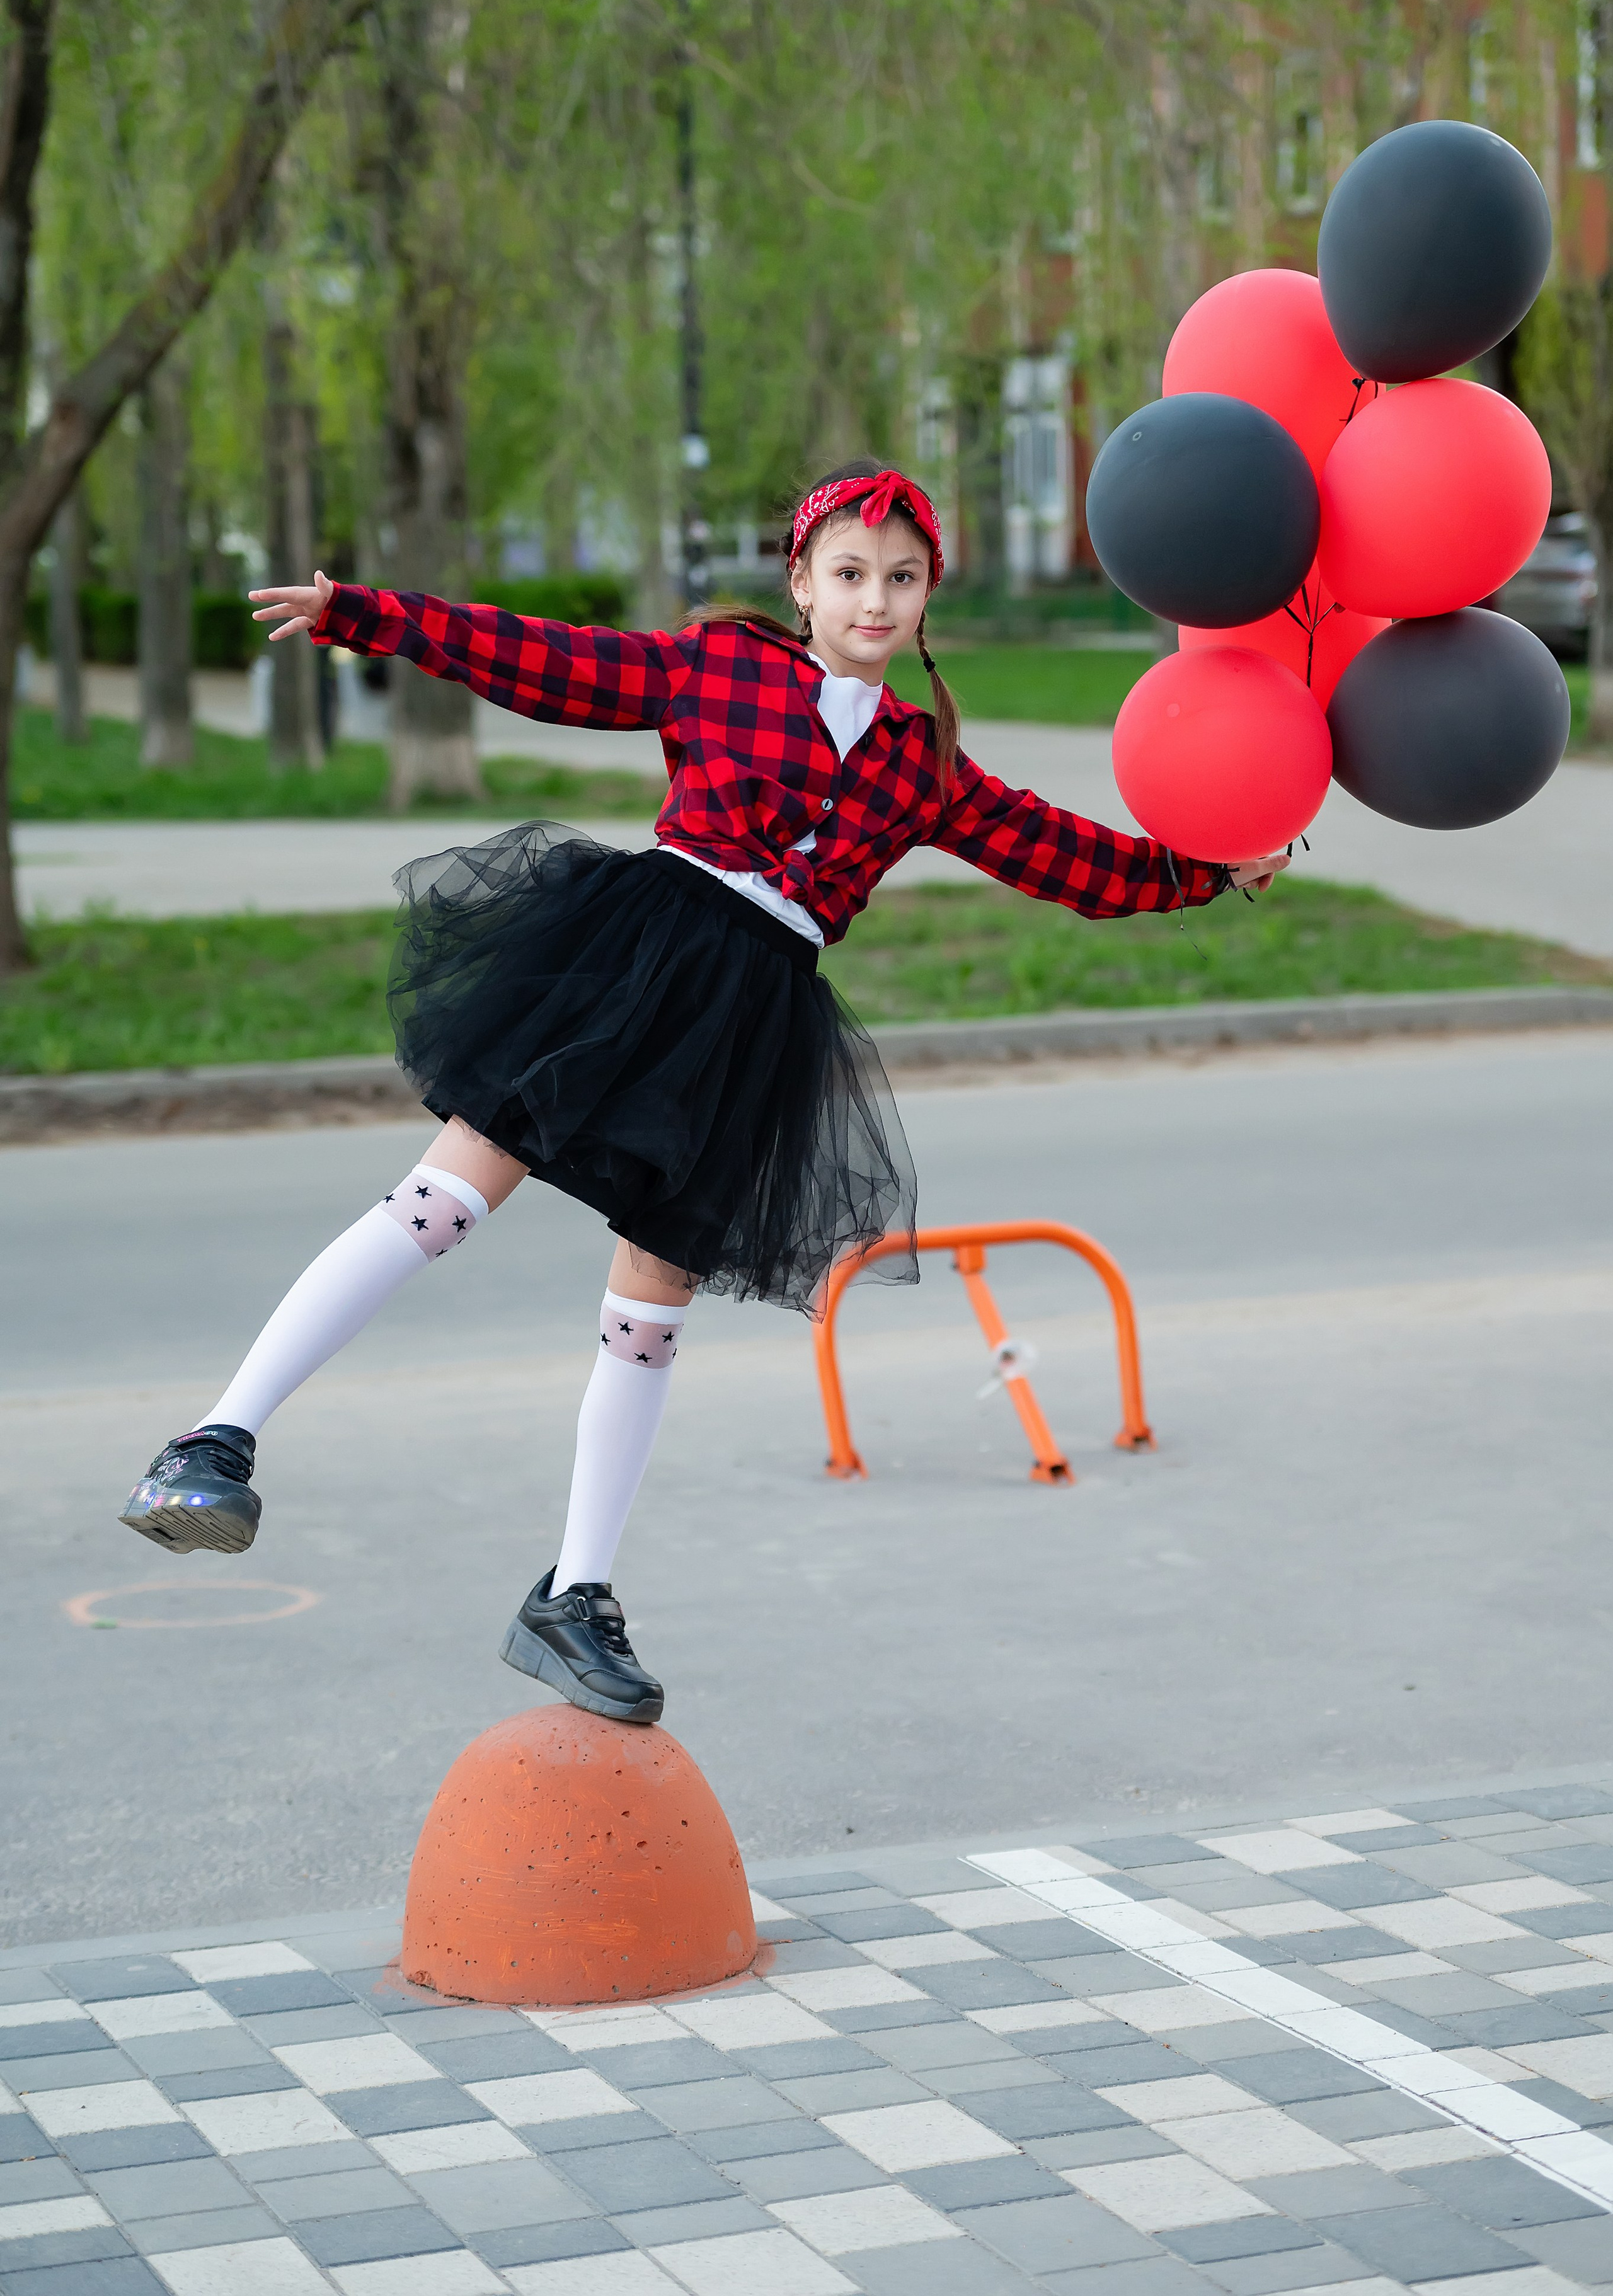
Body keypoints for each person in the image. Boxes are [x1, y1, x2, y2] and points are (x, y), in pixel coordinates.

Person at [117, 460, 1285, 1724]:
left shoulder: (920, 759)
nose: (873, 601)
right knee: (443, 1201)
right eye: (848, 574)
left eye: (899, 579)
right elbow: (549, 661)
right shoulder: (718, 667)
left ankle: (574, 1593)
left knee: (654, 1301)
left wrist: (1206, 870)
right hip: (633, 959)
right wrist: (369, 615)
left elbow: (1057, 853)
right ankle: (216, 1441)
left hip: (752, 1018)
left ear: (925, 593)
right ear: (801, 582)